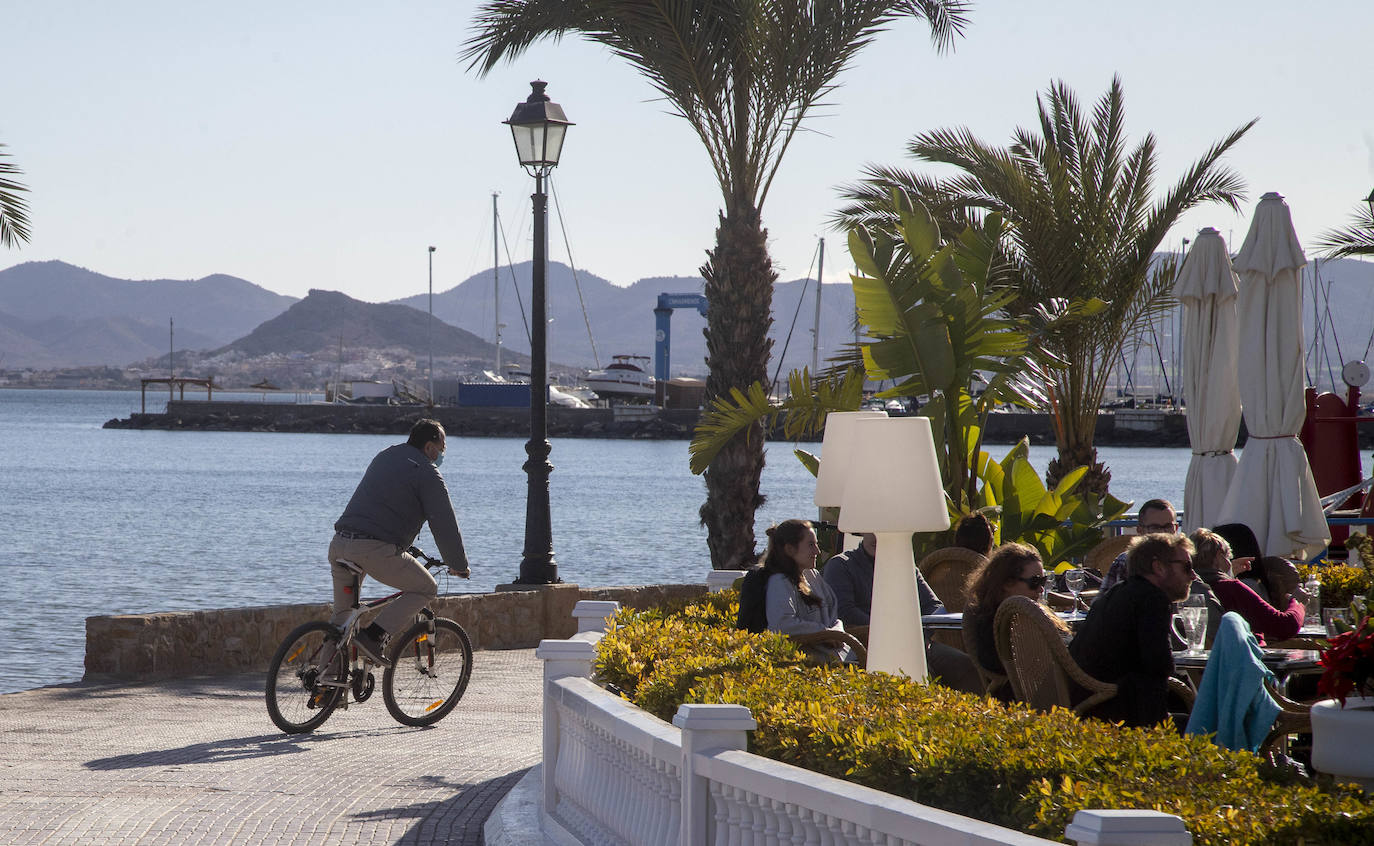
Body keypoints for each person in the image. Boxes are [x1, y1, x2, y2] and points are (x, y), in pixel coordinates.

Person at [330, 418, 471, 666]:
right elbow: (444, 524)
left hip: (340, 544)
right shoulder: (428, 474)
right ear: (429, 447)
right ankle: (373, 637)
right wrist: (458, 564)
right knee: (426, 587)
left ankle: (325, 682)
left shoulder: (385, 456)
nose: (441, 455)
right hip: (373, 550)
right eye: (441, 448)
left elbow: (384, 502)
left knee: (342, 618)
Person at [823, 533, 982, 692]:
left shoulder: (904, 566)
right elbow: (845, 612)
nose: (877, 536)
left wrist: (920, 633)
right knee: (923, 675)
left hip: (915, 644)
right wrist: (892, 633)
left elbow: (934, 606)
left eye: (885, 531)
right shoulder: (842, 565)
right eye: (872, 529)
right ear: (863, 530)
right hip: (868, 647)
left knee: (968, 668)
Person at [1070, 533, 1194, 727]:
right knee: (1206, 726)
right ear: (1158, 567)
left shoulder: (1115, 594)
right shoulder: (1152, 600)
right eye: (1187, 567)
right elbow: (1160, 667)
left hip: (1090, 709)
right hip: (1121, 719)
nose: (1193, 575)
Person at [963, 543, 1067, 695]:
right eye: (1035, 582)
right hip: (1050, 694)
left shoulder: (1024, 614)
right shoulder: (997, 624)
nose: (1041, 589)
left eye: (1043, 581)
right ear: (1007, 584)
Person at [1188, 528, 1304, 646]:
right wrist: (1298, 602)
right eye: (1228, 557)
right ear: (1219, 556)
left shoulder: (1188, 587)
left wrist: (1229, 573)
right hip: (1248, 657)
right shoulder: (1231, 589)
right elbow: (1285, 626)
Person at [761, 519, 851, 663]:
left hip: (843, 655)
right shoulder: (780, 583)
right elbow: (782, 625)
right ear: (790, 549)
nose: (817, 551)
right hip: (817, 664)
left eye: (816, 544)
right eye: (811, 545)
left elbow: (834, 615)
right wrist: (823, 633)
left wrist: (838, 633)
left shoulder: (813, 576)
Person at [1099, 499, 1179, 592]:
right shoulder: (1127, 562)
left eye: (1168, 526)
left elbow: (1196, 592)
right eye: (1155, 527)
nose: (1163, 533)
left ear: (1176, 528)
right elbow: (1109, 600)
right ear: (1140, 531)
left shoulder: (1182, 559)